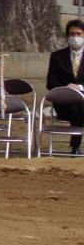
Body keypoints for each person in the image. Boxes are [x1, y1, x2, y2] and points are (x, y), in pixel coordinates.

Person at [46, 19, 84, 155]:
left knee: (80, 108)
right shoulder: (57, 56)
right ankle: (75, 148)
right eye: (72, 34)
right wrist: (66, 88)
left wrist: (79, 88)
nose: (75, 37)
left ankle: (75, 147)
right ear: (67, 36)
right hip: (64, 103)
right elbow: (50, 82)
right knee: (75, 109)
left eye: (79, 34)